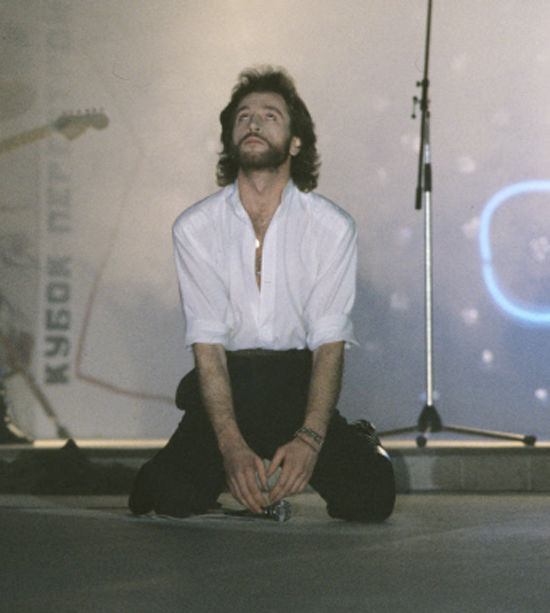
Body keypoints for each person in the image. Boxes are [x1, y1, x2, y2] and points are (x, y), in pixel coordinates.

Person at [129, 67, 395, 521]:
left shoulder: (331, 227)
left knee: (368, 499)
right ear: (230, 140)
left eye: (270, 115)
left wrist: (310, 439)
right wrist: (231, 447)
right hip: (229, 386)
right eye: (243, 117)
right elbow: (208, 348)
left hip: (296, 387)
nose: (253, 123)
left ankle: (361, 437)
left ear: (295, 142)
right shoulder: (195, 228)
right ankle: (218, 474)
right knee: (169, 498)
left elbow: (328, 343)